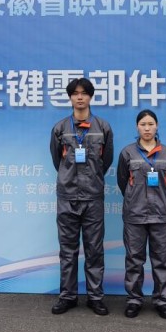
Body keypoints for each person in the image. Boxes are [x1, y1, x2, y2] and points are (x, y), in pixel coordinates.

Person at [50, 77, 114, 316]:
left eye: (84, 93)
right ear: (70, 97)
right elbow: (57, 160)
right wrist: (70, 178)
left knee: (94, 249)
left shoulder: (103, 127)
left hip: (93, 198)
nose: (79, 97)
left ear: (90, 97)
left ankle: (95, 297)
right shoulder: (60, 128)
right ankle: (67, 296)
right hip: (67, 197)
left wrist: (92, 179)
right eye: (75, 93)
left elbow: (106, 160)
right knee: (67, 249)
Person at [116, 109, 166, 319]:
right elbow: (122, 182)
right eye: (143, 124)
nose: (147, 128)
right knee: (134, 260)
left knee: (162, 260)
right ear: (137, 127)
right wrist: (135, 198)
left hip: (161, 215)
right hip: (135, 215)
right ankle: (134, 300)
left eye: (151, 124)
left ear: (157, 126)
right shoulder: (127, 153)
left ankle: (162, 300)